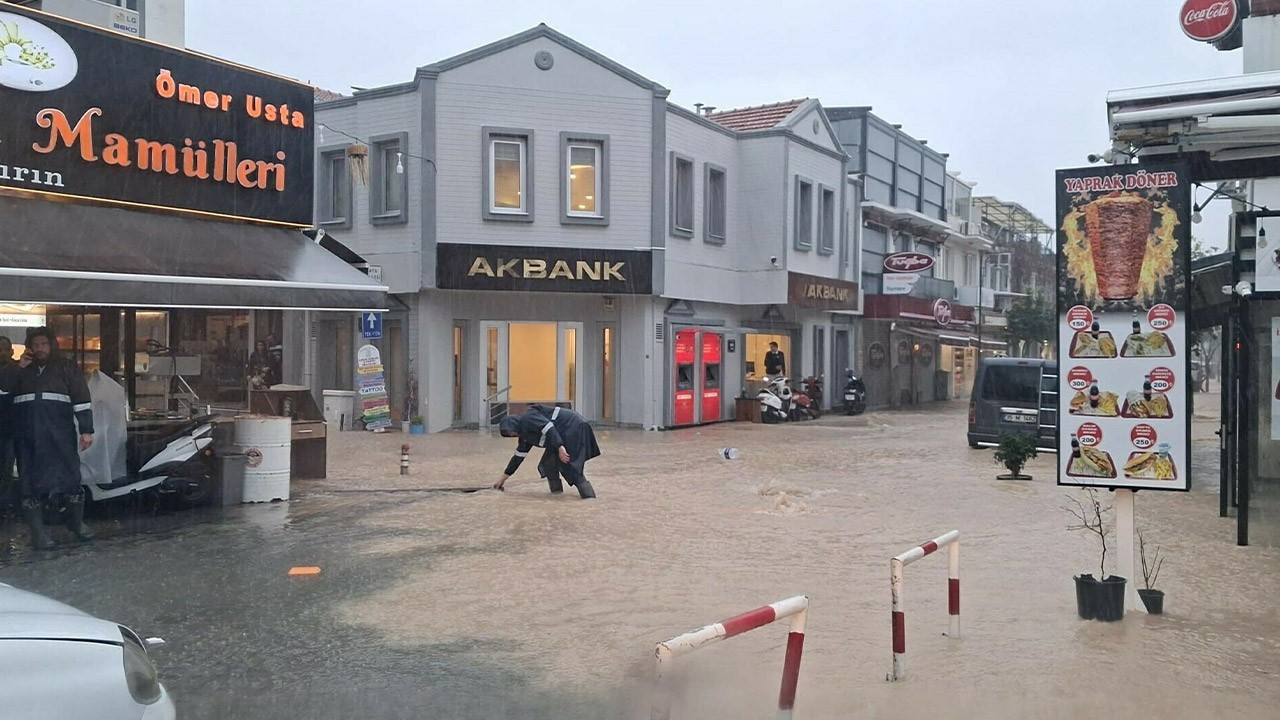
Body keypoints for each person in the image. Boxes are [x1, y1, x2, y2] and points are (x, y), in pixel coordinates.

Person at [12, 327, 95, 549]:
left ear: (52, 345)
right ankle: (39, 534)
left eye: (44, 344)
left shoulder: (66, 367)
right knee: (29, 482)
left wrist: (86, 430)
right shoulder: (20, 370)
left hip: (60, 435)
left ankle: (76, 524)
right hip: (27, 437)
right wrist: (17, 368)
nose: (39, 348)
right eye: (35, 345)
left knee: (70, 477)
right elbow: (3, 387)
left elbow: (81, 398)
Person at [494, 405, 599, 499]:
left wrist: (560, 447)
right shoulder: (525, 436)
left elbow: (549, 428)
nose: (513, 435)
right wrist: (502, 480)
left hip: (572, 426)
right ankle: (557, 496)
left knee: (571, 468)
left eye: (511, 432)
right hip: (564, 433)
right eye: (510, 435)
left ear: (513, 424)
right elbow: (517, 458)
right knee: (549, 465)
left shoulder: (529, 417)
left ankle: (590, 500)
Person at [0, 336, 17, 502]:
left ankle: (4, 505)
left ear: (11, 351)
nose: (2, 353)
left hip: (12, 429)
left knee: (6, 469)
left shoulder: (18, 370)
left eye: (5, 349)